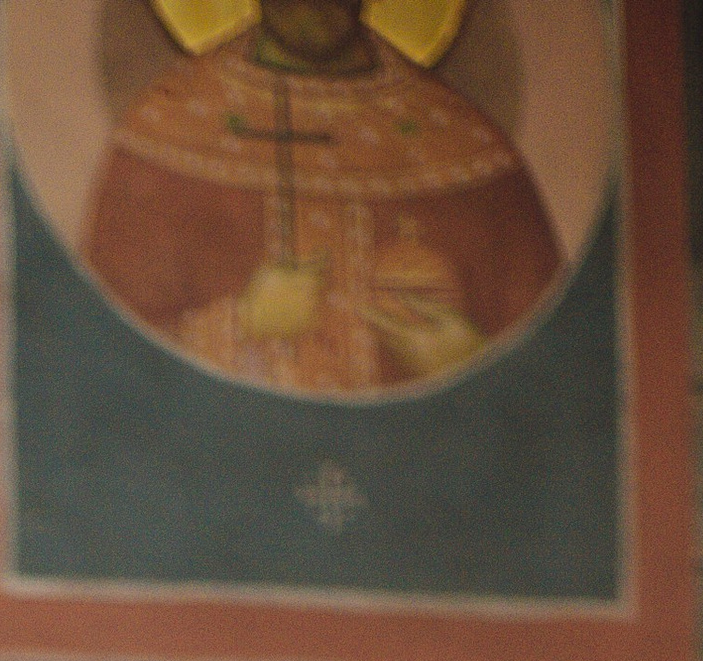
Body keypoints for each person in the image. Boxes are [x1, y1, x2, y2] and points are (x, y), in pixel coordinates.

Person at [84, 0, 563, 394]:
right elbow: (93, 379)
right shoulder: (165, 130)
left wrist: (475, 362)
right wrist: (241, 323)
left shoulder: (464, 144)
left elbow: (563, 392)